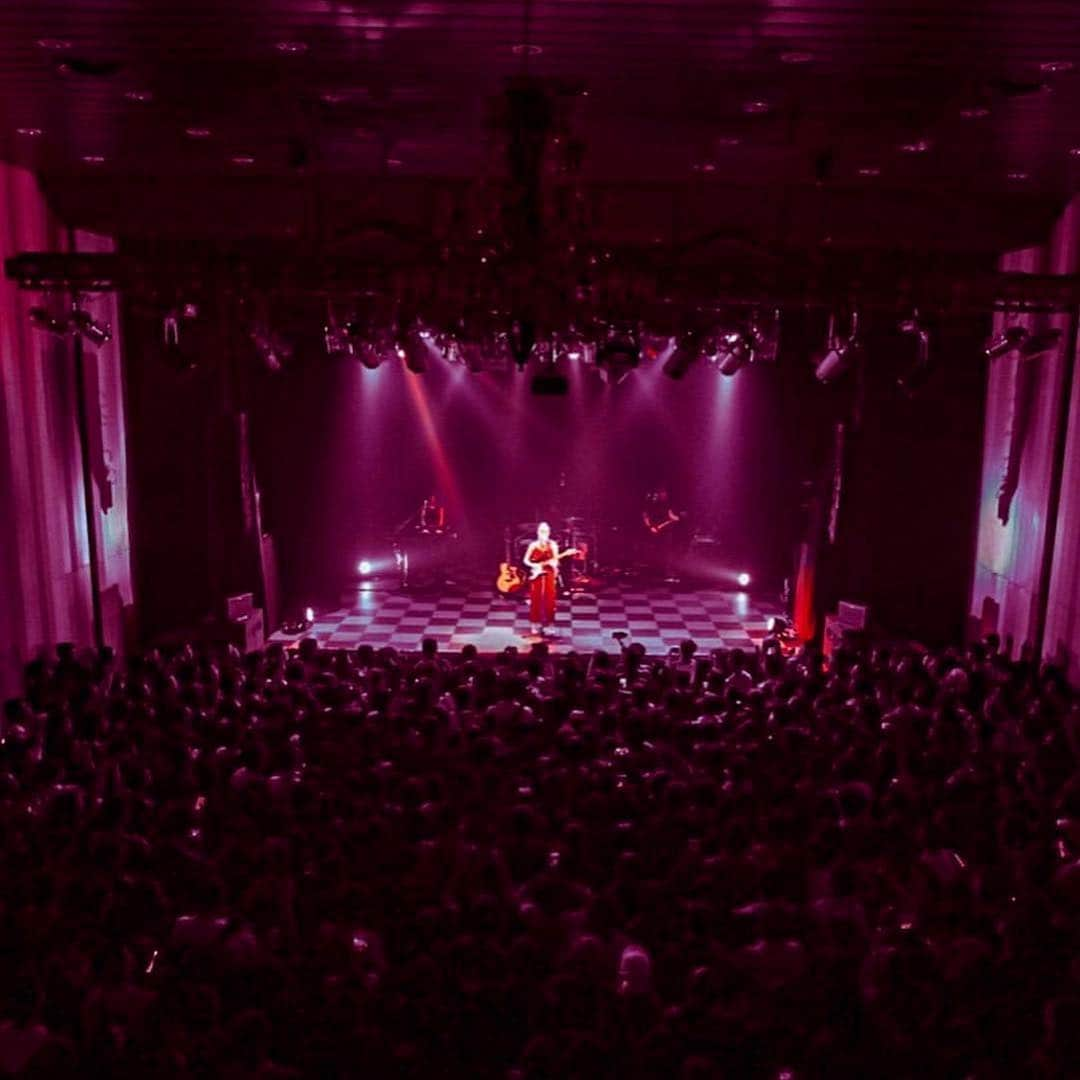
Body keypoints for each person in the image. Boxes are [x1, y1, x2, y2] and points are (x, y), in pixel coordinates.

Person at [524, 521, 560, 636]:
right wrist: (536, 565)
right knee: (536, 598)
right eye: (541, 531)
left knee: (550, 599)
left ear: (549, 532)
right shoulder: (533, 545)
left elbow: (556, 560)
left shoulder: (553, 545)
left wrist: (553, 564)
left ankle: (549, 624)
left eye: (545, 531)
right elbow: (525, 560)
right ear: (537, 532)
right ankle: (535, 623)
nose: (543, 533)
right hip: (537, 574)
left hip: (549, 573)